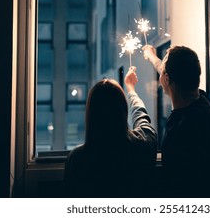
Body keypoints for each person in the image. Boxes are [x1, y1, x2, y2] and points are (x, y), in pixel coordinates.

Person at [142, 44, 210, 197]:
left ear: (166, 79)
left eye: (164, 70)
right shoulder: (203, 100)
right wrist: (152, 56)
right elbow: (166, 69)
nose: (161, 70)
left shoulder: (181, 131)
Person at [63, 69, 157, 197]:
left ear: (91, 114)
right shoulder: (143, 145)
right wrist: (130, 89)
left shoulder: (76, 159)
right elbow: (141, 117)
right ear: (122, 111)